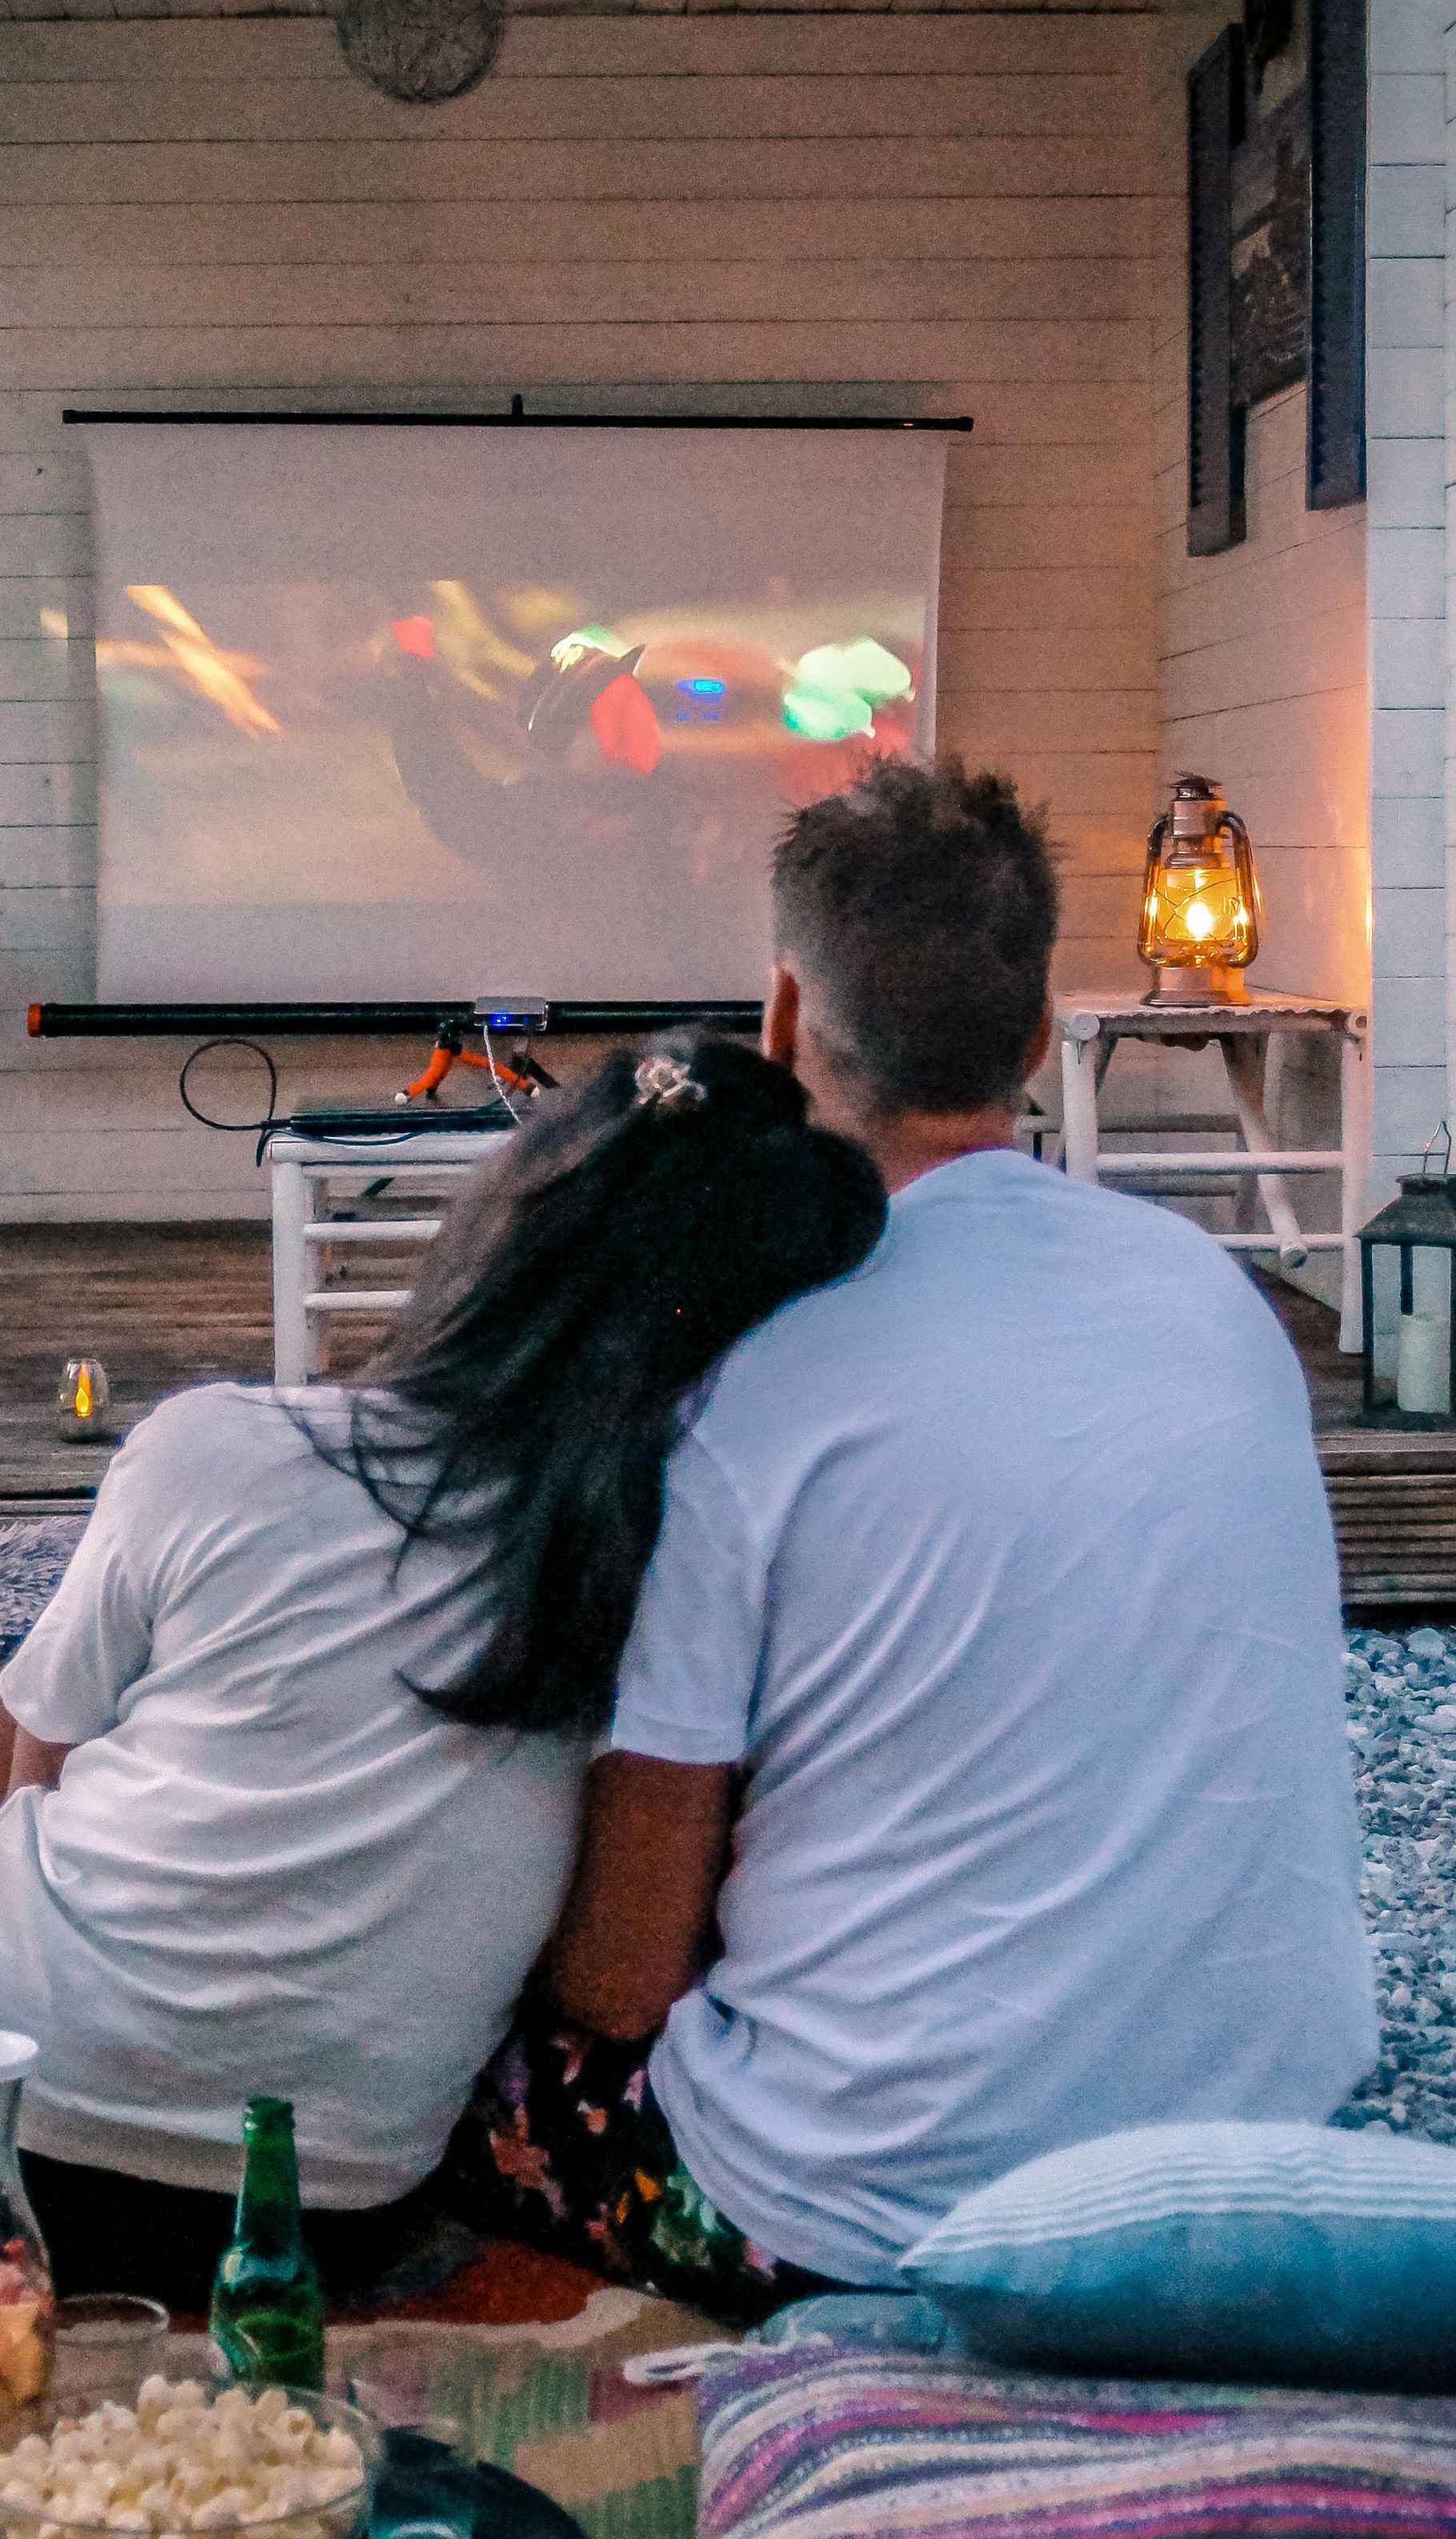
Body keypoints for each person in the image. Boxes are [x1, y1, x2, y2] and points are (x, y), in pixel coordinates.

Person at [0, 1036, 887, 2301]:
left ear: (506, 1227)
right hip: (320, 2224)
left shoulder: (219, 1443)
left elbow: (44, 1778)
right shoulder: (670, 1576)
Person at [449, 758, 1378, 2327]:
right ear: (1033, 1038)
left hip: (865, 2216)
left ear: (784, 1024)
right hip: (1262, 2154)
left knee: (431, 2043)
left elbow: (621, 1975)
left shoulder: (746, 1368)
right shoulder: (1219, 1302)